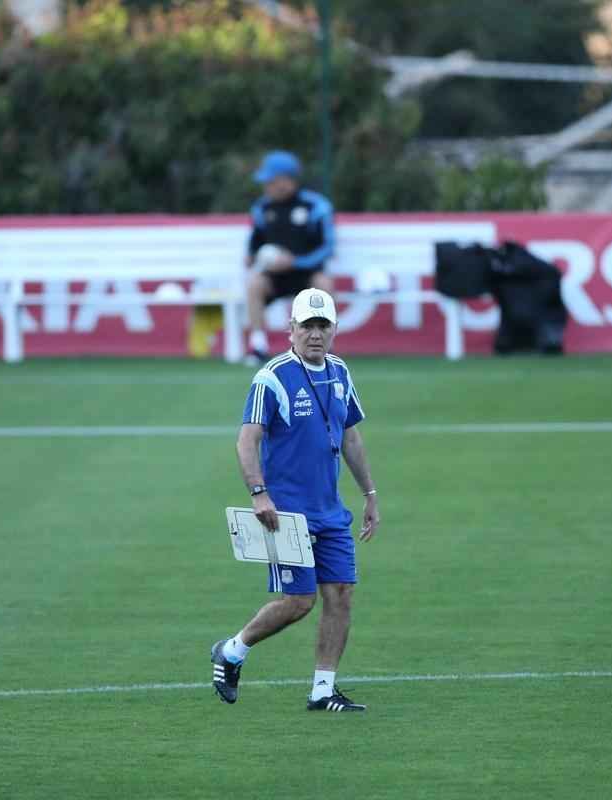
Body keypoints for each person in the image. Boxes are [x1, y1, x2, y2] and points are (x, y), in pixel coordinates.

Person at [211, 288, 380, 712]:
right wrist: (258, 493)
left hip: (330, 512)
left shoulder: (340, 372)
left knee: (340, 595)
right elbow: (247, 440)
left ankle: (323, 690)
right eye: (308, 326)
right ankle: (232, 650)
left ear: (335, 329)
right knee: (299, 602)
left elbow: (350, 436)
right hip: (285, 515)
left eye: (324, 326)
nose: (316, 334)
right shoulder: (272, 377)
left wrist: (370, 493)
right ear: (291, 329)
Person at [243, 150, 337, 366]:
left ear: (286, 181)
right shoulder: (262, 208)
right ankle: (258, 347)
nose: (266, 186)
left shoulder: (316, 206)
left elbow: (327, 247)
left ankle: (324, 349)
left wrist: (295, 261)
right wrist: (251, 255)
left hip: (307, 274)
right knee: (254, 284)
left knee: (324, 283)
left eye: (270, 181)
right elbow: (255, 241)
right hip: (275, 276)